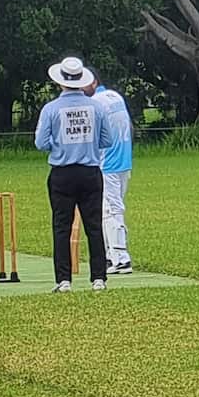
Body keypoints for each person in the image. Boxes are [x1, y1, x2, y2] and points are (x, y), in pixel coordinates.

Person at [35, 57, 112, 293]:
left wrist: (59, 145)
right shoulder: (97, 107)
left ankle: (64, 280)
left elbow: (40, 143)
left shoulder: (51, 109)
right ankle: (98, 279)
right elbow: (107, 140)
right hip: (90, 172)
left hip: (62, 173)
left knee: (62, 227)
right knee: (94, 226)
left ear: (61, 82)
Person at [83, 69, 134, 274]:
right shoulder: (115, 96)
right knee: (108, 209)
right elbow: (129, 127)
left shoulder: (95, 103)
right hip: (124, 160)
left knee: (111, 210)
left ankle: (121, 258)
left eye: (84, 84)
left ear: (94, 82)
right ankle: (109, 256)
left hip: (107, 164)